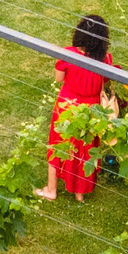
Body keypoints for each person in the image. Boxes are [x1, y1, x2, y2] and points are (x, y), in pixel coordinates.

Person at [34, 15, 113, 201]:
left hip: (68, 105)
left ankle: (51, 190)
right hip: (92, 107)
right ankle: (80, 193)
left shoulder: (68, 54)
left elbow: (59, 78)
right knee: (85, 148)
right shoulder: (105, 60)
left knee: (58, 144)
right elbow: (106, 81)